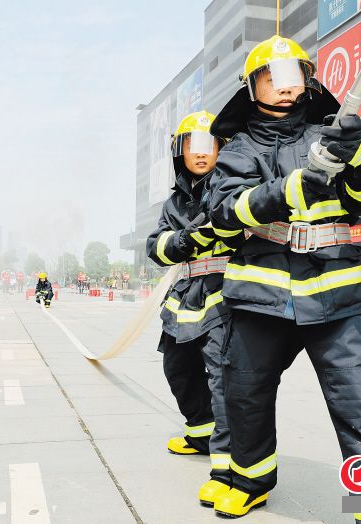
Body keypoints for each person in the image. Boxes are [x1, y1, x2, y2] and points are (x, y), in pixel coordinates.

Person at [207, 35, 361, 521]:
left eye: (291, 77)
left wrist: (359, 150)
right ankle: (250, 480)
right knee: (245, 393)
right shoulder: (237, 151)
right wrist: (286, 189)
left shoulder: (334, 133)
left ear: (308, 81)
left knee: (358, 396)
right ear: (251, 87)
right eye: (270, 79)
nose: (282, 88)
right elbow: (223, 211)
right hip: (261, 294)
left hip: (337, 290)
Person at [146, 110, 238, 507]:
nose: (201, 153)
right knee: (177, 366)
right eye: (192, 145)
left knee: (223, 376)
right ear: (179, 151)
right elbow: (155, 246)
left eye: (209, 144)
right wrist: (183, 240)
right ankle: (200, 431)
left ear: (221, 148)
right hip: (185, 293)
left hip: (226, 291)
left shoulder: (232, 184)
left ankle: (230, 466)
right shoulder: (174, 201)